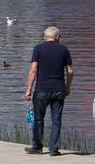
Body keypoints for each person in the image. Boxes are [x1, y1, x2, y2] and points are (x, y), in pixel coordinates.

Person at [24, 26, 74, 156]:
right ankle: (54, 149)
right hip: (58, 90)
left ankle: (37, 147)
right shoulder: (64, 50)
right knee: (56, 120)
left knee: (38, 118)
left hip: (42, 90)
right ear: (58, 37)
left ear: (45, 37)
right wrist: (68, 87)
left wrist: (29, 89)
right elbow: (70, 71)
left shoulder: (38, 49)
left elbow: (33, 70)